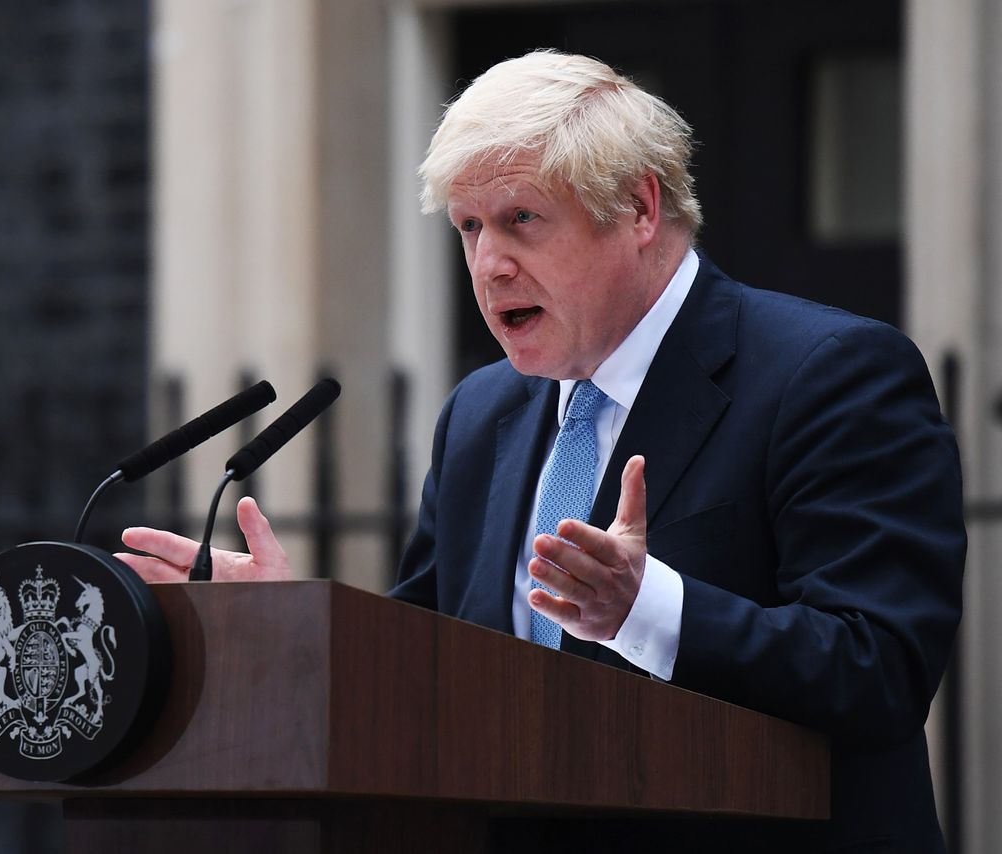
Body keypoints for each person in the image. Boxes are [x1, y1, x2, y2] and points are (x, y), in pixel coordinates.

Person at [118, 51, 965, 852]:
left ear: (639, 208)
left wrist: (647, 610)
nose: (488, 265)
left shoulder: (830, 373)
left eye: (522, 219)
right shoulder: (482, 413)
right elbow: (430, 669)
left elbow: (879, 670)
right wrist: (301, 631)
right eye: (469, 227)